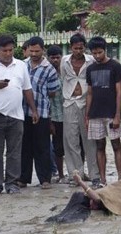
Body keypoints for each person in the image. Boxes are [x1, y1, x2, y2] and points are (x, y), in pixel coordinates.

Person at [0, 35, 39, 196]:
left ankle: (11, 183)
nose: (8, 53)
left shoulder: (20, 65)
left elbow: (27, 89)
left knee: (15, 152)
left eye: (11, 50)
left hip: (16, 116)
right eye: (5, 50)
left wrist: (34, 110)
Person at [18, 36, 60, 190]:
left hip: (41, 112)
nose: (34, 54)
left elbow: (53, 92)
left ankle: (45, 178)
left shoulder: (49, 69)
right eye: (31, 50)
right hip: (22, 112)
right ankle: (23, 178)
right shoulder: (21, 65)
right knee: (24, 146)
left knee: (42, 147)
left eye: (37, 51)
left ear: (43, 50)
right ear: (27, 50)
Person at [60, 33, 100, 185]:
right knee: (70, 140)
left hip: (86, 101)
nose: (78, 51)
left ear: (85, 47)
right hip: (69, 102)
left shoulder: (91, 60)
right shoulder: (65, 61)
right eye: (76, 48)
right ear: (71, 48)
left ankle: (94, 174)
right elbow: (63, 77)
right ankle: (76, 174)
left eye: (81, 48)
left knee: (89, 140)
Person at [85, 36, 121, 187]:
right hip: (95, 113)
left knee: (116, 145)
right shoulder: (90, 69)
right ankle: (102, 180)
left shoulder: (115, 66)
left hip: (111, 113)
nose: (97, 56)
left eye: (99, 52)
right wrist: (87, 115)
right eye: (94, 53)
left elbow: (119, 92)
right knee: (99, 146)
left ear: (105, 50)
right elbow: (89, 93)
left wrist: (117, 115)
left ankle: (120, 179)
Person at [47, 45, 68, 184]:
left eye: (57, 57)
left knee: (75, 144)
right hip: (54, 116)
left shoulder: (67, 71)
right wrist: (49, 120)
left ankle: (77, 172)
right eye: (52, 57)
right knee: (58, 147)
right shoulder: (47, 73)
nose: (55, 60)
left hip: (69, 113)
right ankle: (59, 174)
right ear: (48, 58)